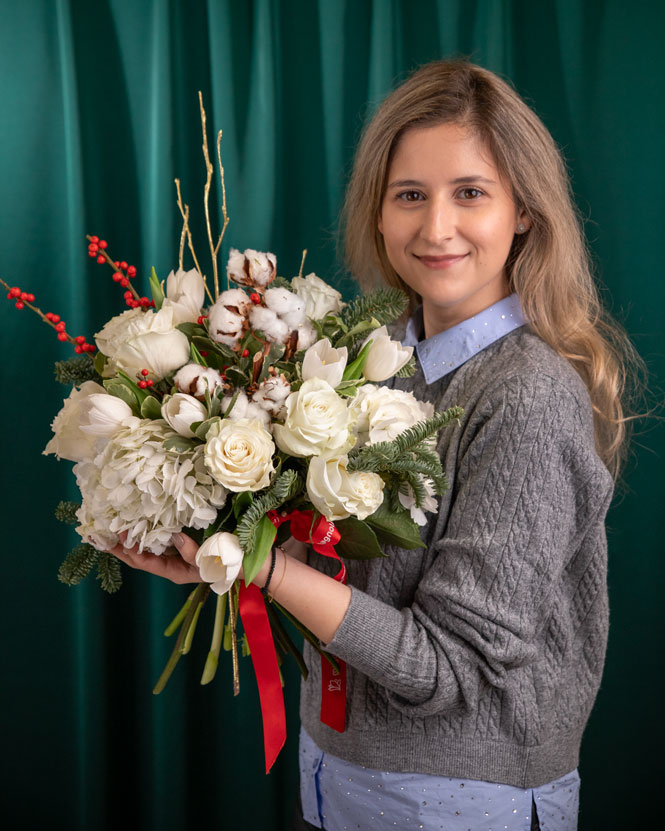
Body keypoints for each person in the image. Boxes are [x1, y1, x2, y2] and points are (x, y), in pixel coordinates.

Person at [111, 60, 641, 830]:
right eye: (409, 196)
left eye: (470, 192)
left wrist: (268, 573)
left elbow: (447, 669)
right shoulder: (371, 355)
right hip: (336, 772)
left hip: (459, 801)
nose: (435, 228)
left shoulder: (524, 394)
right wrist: (221, 554)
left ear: (523, 210)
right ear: (379, 212)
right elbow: (362, 577)